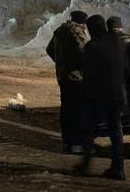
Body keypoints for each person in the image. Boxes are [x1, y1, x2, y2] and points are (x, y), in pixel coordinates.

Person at [79, 14, 127, 180]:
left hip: (96, 96)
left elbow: (87, 72)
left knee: (89, 130)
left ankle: (85, 164)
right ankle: (118, 167)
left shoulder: (92, 46)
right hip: (116, 94)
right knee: (116, 131)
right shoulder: (118, 42)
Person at [46, 10, 90, 154]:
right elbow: (84, 53)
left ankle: (66, 141)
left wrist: (60, 62)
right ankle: (76, 143)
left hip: (63, 76)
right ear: (82, 22)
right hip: (75, 76)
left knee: (66, 108)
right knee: (77, 110)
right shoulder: (76, 31)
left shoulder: (60, 31)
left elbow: (49, 49)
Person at [107, 16, 130, 153]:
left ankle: (117, 145)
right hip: (128, 80)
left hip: (110, 82)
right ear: (120, 26)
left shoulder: (103, 40)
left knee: (114, 115)